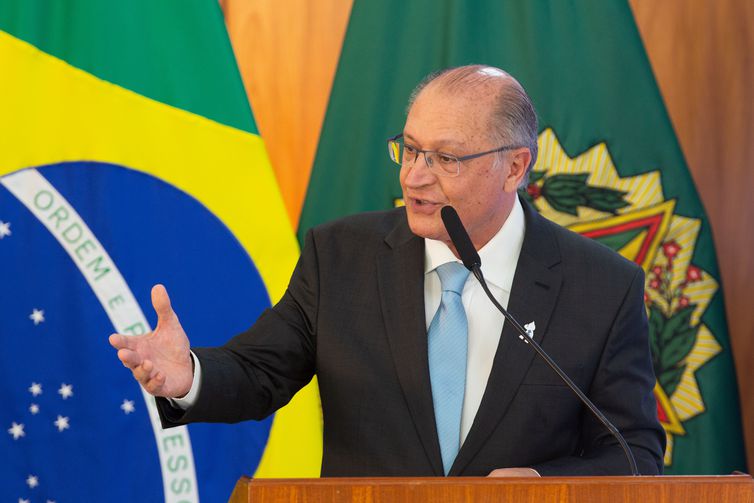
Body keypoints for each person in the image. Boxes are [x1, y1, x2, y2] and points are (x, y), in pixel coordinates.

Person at [109, 65, 665, 477]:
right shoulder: (342, 255)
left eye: (446, 159)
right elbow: (260, 371)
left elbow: (633, 451)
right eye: (410, 149)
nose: (415, 178)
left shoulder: (603, 286)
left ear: (515, 166)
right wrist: (188, 376)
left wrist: (547, 485)